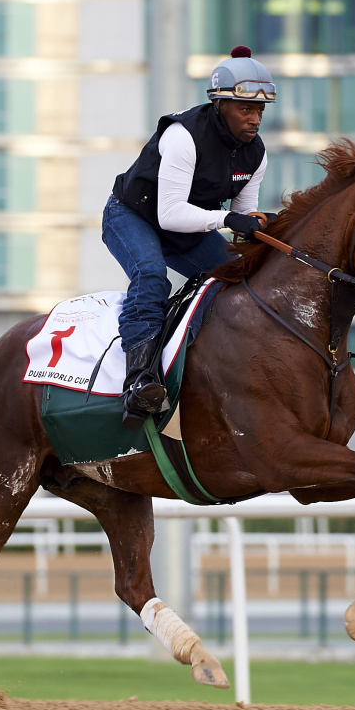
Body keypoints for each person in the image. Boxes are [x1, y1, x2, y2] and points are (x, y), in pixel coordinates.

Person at [102, 46, 275, 429]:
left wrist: (259, 224)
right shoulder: (184, 137)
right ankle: (139, 383)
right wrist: (229, 219)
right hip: (132, 217)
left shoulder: (256, 154)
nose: (255, 119)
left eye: (260, 111)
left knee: (240, 278)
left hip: (187, 229)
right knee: (150, 277)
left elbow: (242, 219)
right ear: (220, 105)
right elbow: (170, 214)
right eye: (246, 109)